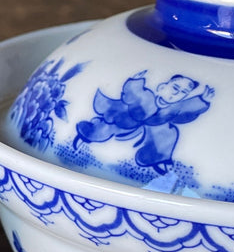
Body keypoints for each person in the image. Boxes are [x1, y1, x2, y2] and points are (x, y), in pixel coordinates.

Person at [75, 72, 214, 175]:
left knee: (168, 134)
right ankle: (88, 134)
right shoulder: (146, 97)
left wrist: (203, 100)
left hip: (155, 128)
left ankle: (155, 159)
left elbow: (187, 108)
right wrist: (135, 81)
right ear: (161, 87)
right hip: (128, 117)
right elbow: (134, 92)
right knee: (112, 121)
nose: (175, 94)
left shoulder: (174, 108)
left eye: (182, 93)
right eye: (175, 88)